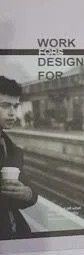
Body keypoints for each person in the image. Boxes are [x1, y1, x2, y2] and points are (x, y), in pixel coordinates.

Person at [0, 76, 38, 240]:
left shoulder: (12, 149)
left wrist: (26, 193)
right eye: (5, 106)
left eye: (15, 106)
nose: (12, 113)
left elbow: (29, 189)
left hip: (14, 235)